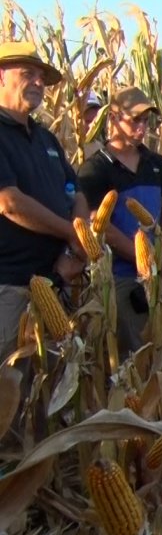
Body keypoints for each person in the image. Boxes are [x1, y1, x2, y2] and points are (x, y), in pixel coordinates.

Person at [77, 87, 162, 357]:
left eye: (145, 121)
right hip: (124, 276)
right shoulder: (95, 169)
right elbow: (102, 228)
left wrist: (160, 257)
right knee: (140, 352)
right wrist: (145, 262)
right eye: (135, 120)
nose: (142, 127)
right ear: (113, 118)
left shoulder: (156, 162)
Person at [0, 42, 87, 360]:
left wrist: (79, 241)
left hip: (54, 282)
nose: (38, 82)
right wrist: (71, 233)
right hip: (11, 286)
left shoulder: (45, 138)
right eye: (28, 74)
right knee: (10, 380)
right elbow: (8, 202)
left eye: (42, 77)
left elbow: (75, 191)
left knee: (50, 381)